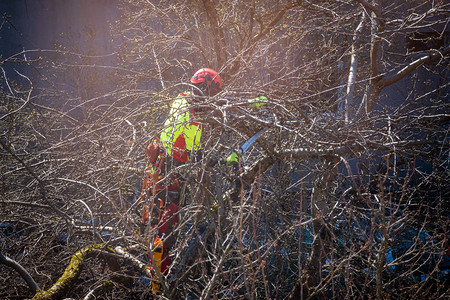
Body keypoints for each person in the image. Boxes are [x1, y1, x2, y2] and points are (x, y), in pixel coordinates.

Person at [141, 67, 267, 292]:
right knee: (164, 233)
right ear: (203, 89)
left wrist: (250, 103)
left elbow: (219, 106)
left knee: (167, 230)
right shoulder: (189, 113)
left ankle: (162, 280)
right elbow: (195, 157)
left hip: (167, 174)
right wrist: (225, 161)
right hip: (165, 178)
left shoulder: (185, 102)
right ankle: (158, 288)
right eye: (210, 94)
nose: (212, 100)